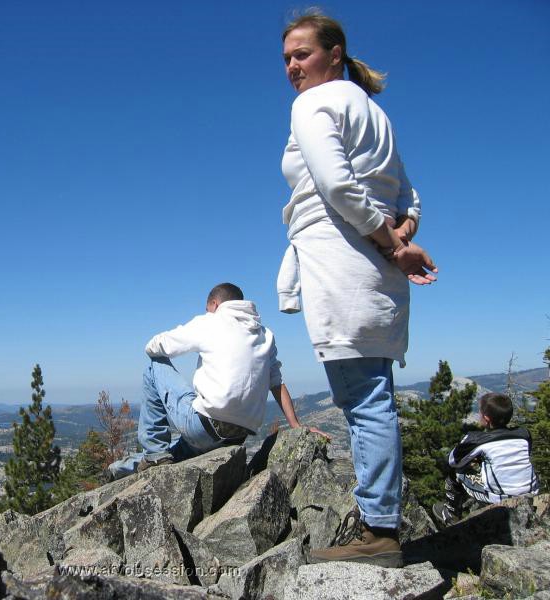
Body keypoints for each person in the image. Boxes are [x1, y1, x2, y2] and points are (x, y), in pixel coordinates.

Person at [277, 13, 439, 568]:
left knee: (364, 400)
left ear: (335, 53)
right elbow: (410, 198)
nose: (292, 66)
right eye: (286, 58)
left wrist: (391, 244)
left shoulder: (313, 104)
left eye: (302, 53)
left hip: (342, 264)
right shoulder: (373, 112)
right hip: (376, 273)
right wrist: (400, 237)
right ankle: (379, 523)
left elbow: (336, 185)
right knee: (374, 392)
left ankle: (379, 533)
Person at [106, 282, 326, 480]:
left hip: (205, 427)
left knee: (154, 366)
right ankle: (120, 469)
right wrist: (297, 426)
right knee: (177, 451)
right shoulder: (266, 335)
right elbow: (276, 383)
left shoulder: (210, 321)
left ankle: (154, 454)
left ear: (214, 304)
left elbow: (157, 346)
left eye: (207, 308)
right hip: (236, 437)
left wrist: (153, 346)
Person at [432, 393, 540, 528]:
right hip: (531, 493)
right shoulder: (524, 434)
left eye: (480, 412)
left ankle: (451, 514)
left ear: (486, 419)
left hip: (502, 498)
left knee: (456, 473)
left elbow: (452, 461)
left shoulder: (478, 440)